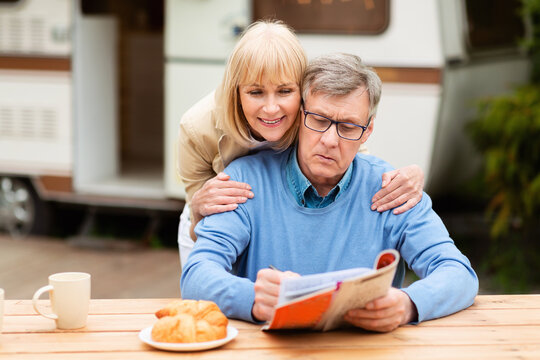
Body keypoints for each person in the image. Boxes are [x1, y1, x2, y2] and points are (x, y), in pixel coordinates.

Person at [181, 53, 478, 332]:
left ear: (369, 130)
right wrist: (253, 298)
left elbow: (458, 272)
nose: (330, 141)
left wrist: (408, 304)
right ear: (299, 116)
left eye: (348, 127)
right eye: (319, 120)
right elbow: (196, 275)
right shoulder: (245, 180)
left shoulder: (392, 189)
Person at [177, 20, 425, 267]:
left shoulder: (315, 117)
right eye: (256, 92)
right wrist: (198, 210)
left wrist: (410, 178)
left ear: (303, 92)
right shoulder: (197, 128)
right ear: (236, 91)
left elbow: (355, 163)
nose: (272, 108)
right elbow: (204, 224)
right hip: (215, 219)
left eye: (285, 91)